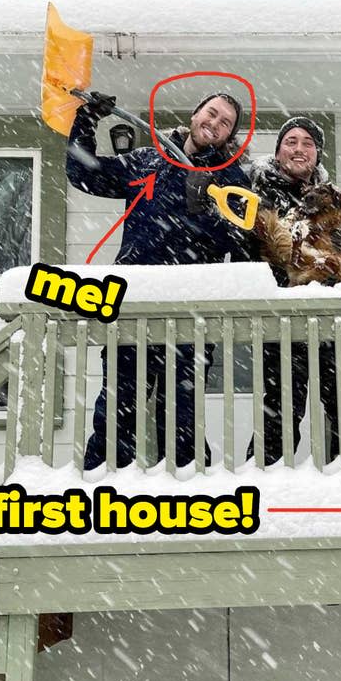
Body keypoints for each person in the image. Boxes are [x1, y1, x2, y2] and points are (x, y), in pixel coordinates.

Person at [66, 91, 251, 470]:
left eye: (224, 123)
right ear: (195, 112)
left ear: (229, 135)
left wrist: (207, 211)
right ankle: (102, 494)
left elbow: (240, 243)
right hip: (133, 308)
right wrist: (87, 120)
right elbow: (84, 174)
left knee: (181, 420)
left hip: (191, 318)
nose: (213, 124)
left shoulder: (232, 178)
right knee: (116, 412)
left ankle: (186, 503)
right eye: (211, 113)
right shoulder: (148, 160)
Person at [245, 117, 341, 466]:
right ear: (279, 150)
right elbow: (265, 245)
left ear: (317, 154)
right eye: (291, 141)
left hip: (330, 315)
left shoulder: (333, 200)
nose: (299, 148)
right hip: (281, 317)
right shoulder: (259, 191)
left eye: (308, 143)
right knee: (281, 409)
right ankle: (265, 480)